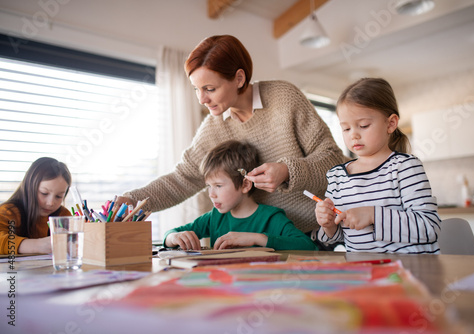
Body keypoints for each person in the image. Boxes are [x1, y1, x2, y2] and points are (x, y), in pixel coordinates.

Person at [117, 35, 345, 233]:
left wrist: (287, 171)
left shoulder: (284, 99)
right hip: (259, 238)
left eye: (210, 89)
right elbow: (182, 179)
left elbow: (334, 160)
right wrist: (133, 201)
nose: (201, 99)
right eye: (196, 89)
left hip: (313, 232)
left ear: (238, 78)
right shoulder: (214, 127)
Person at [312, 78, 441, 253]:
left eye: (363, 125)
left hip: (410, 272)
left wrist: (373, 215)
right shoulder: (337, 177)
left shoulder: (404, 167)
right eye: (346, 129)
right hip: (364, 273)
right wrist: (328, 224)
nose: (354, 135)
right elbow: (339, 237)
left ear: (390, 124)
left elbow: (429, 228)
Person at [164, 140, 317, 251]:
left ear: (245, 184)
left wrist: (257, 238)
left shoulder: (271, 218)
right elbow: (170, 234)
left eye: (218, 186)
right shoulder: (214, 218)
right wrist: (173, 238)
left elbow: (307, 245)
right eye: (208, 186)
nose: (211, 194)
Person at [0, 157, 72, 255]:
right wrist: (37, 245)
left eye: (59, 196)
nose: (50, 203)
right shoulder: (8, 212)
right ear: (29, 187)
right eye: (44, 193)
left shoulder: (63, 215)